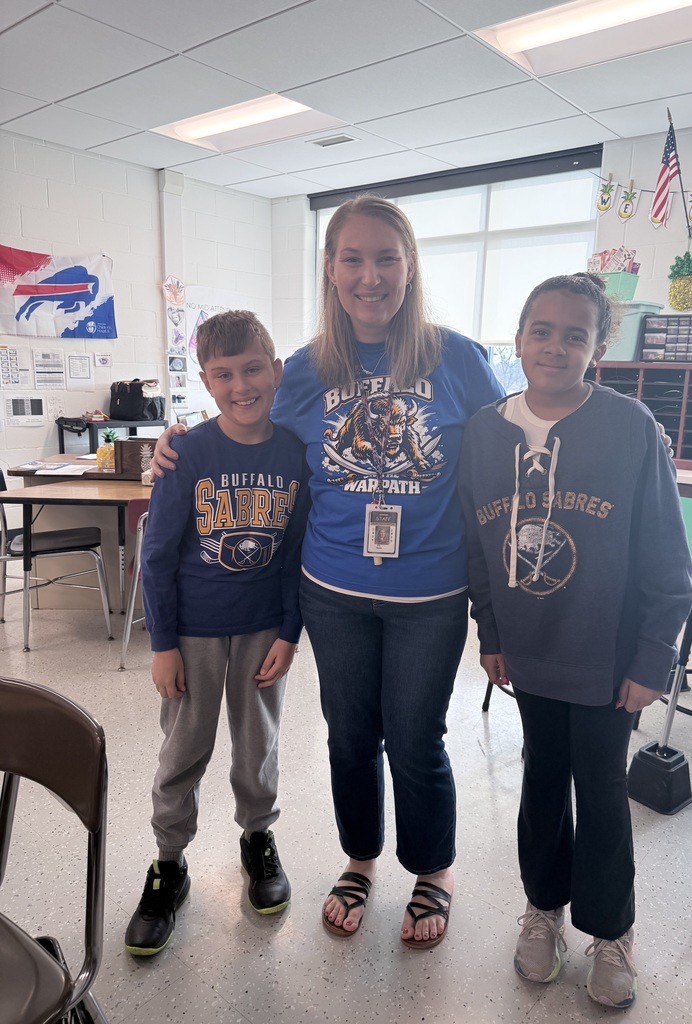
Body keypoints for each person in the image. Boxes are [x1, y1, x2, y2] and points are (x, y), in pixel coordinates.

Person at [152, 195, 504, 948]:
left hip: (431, 592)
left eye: (386, 258)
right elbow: (242, 422)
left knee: (415, 738)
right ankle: (360, 858)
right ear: (331, 270)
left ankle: (433, 869)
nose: (369, 275)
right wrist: (174, 442)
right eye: (353, 259)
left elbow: (506, 452)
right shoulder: (305, 370)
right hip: (333, 593)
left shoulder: (458, 359)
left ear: (409, 267)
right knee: (348, 738)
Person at [459, 273, 692, 1006]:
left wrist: (653, 657)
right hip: (529, 654)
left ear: (597, 349)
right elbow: (478, 549)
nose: (555, 347)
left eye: (574, 335)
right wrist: (491, 631)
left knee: (600, 791)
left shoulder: (631, 427)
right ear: (519, 338)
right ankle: (543, 908)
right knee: (540, 783)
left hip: (607, 659)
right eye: (542, 331)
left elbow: (667, 558)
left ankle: (611, 929)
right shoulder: (483, 432)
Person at [125, 310, 308, 957]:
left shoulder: (295, 453)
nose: (241, 386)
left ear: (275, 370)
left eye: (252, 369)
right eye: (224, 374)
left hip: (263, 629)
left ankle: (258, 837)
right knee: (184, 748)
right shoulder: (188, 453)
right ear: (206, 381)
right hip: (193, 634)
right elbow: (156, 554)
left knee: (258, 743)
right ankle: (169, 862)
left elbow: (296, 553)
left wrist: (290, 631)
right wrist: (162, 643)